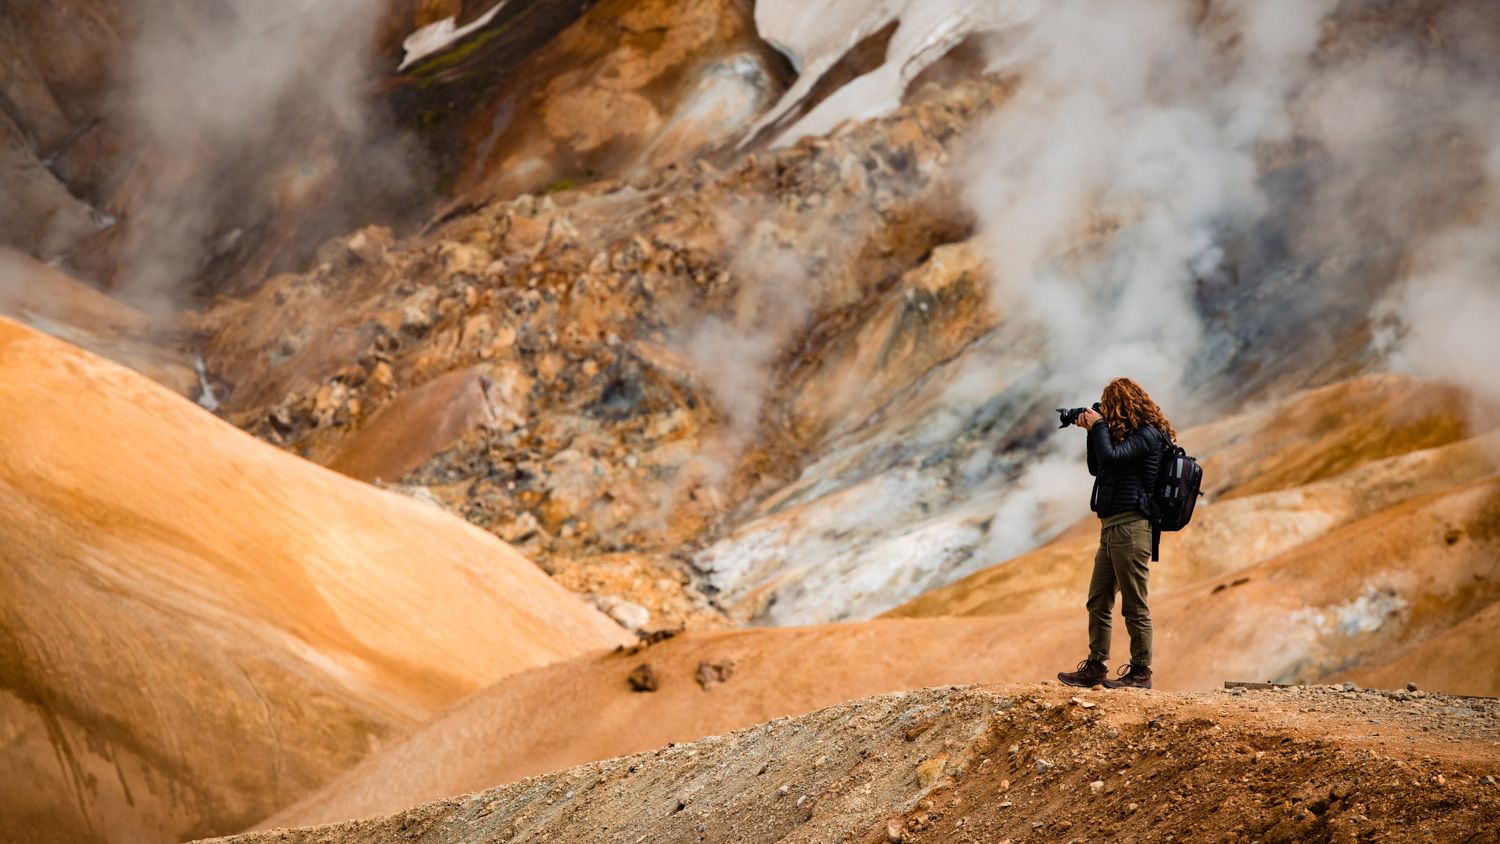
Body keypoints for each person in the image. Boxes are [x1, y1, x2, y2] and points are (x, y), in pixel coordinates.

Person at [1057, 377, 1177, 690]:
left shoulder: (1149, 435)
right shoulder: (1123, 435)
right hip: (1110, 528)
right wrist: (1091, 432)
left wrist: (1098, 428)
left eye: (1109, 405)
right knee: (1098, 600)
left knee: (1134, 604)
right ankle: (1096, 666)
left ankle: (1141, 672)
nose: (1104, 411)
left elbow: (1112, 457)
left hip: (1132, 527)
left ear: (1122, 405)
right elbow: (1098, 467)